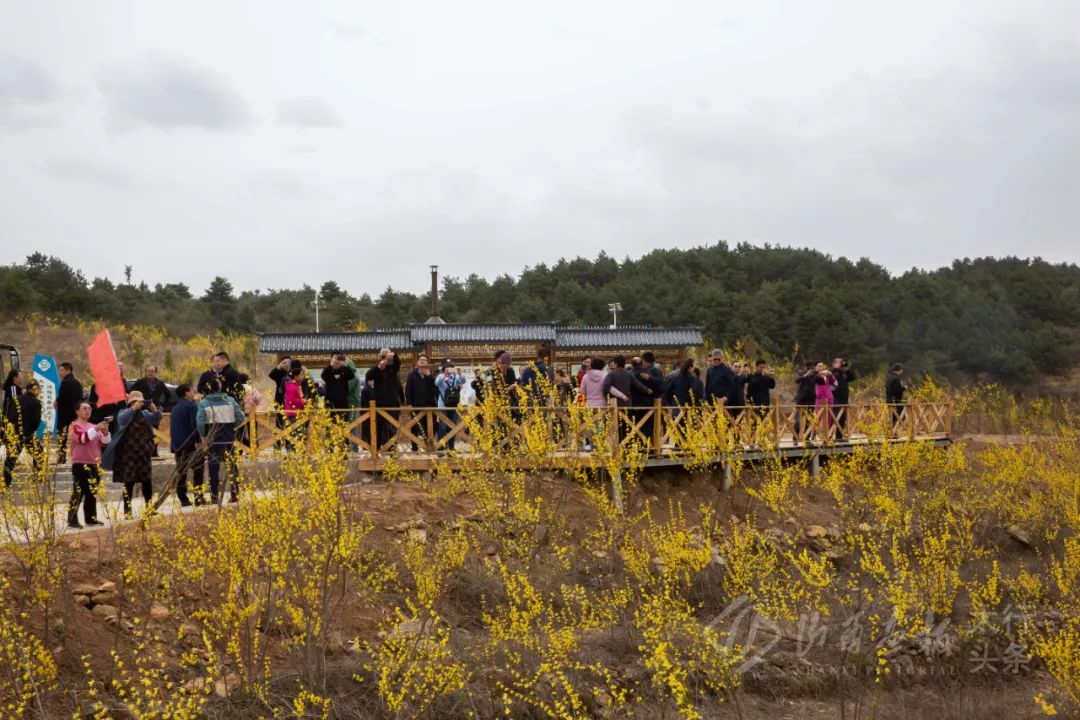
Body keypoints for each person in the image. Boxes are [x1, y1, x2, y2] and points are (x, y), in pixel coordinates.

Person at [102, 391, 162, 518]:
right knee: (129, 482)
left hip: (143, 453)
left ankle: (149, 506)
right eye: (135, 401)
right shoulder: (123, 413)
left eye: (140, 401)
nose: (138, 403)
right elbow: (122, 420)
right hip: (128, 454)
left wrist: (154, 409)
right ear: (130, 402)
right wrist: (133, 409)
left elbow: (157, 417)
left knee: (147, 481)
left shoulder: (145, 414)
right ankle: (127, 509)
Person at [196, 379, 246, 504]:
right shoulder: (230, 400)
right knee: (232, 466)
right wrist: (233, 426)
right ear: (219, 387)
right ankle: (235, 495)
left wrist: (203, 436)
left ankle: (214, 497)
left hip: (212, 440)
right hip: (229, 438)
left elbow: (200, 422)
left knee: (213, 468)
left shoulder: (204, 403)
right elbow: (241, 417)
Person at [66, 401, 109, 528]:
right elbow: (82, 439)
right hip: (80, 463)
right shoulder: (74, 426)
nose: (88, 410)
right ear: (77, 411)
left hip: (95, 463)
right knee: (78, 492)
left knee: (92, 493)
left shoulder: (93, 425)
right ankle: (72, 520)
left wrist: (105, 432)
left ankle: (91, 518)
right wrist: (96, 428)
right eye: (84, 408)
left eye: (89, 408)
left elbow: (104, 443)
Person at [365, 349, 403, 449]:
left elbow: (398, 364)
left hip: (392, 403)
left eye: (386, 356)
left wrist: (394, 355)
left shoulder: (392, 368)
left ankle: (392, 450)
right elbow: (368, 376)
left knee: (392, 428)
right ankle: (376, 450)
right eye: (383, 356)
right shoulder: (376, 368)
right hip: (379, 404)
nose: (385, 358)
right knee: (377, 428)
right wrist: (378, 367)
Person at [404, 355, 438, 450]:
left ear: (427, 363)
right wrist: (409, 404)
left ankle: (428, 446)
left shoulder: (430, 375)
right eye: (421, 360)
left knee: (430, 427)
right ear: (417, 362)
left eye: (424, 360)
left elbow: (435, 388)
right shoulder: (412, 375)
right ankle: (414, 446)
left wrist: (429, 376)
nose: (422, 361)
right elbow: (408, 390)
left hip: (429, 406)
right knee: (415, 427)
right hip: (416, 406)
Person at [435, 360, 467, 450]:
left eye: (451, 367)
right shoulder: (440, 376)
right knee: (442, 427)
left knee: (453, 427)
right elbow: (436, 383)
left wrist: (460, 374)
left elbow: (463, 381)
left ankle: (451, 447)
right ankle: (440, 447)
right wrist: (444, 375)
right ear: (444, 368)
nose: (449, 369)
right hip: (443, 406)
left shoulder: (456, 377)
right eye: (447, 367)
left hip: (454, 405)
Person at [55, 362, 83, 464]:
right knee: (76, 436)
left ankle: (62, 457)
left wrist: (57, 401)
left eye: (61, 370)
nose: (60, 373)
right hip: (76, 414)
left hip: (65, 415)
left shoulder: (65, 382)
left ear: (68, 371)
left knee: (62, 437)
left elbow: (62, 398)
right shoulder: (78, 383)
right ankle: (78, 456)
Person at [2, 368, 24, 486]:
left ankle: (6, 479)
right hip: (12, 426)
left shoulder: (13, 388)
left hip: (13, 425)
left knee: (13, 452)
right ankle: (6, 480)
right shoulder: (13, 388)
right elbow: (16, 405)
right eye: (20, 375)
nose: (22, 377)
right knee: (13, 452)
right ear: (15, 377)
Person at [793, 363, 819, 441]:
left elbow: (822, 381)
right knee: (798, 421)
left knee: (809, 420)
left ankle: (807, 439)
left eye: (812, 369)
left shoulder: (815, 375)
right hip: (801, 399)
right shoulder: (801, 373)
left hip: (811, 399)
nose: (811, 371)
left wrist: (817, 373)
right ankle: (795, 438)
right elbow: (797, 380)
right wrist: (806, 375)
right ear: (806, 368)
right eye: (809, 369)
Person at [832, 358, 856, 437]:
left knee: (842, 418)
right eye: (839, 363)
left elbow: (853, 378)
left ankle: (839, 436)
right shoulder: (832, 372)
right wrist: (836, 368)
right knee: (835, 418)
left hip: (844, 399)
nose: (841, 365)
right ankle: (830, 436)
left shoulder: (844, 373)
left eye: (841, 363)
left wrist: (847, 369)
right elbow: (833, 378)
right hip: (835, 398)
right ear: (834, 364)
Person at [814, 361, 838, 439]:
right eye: (819, 366)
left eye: (822, 366)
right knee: (818, 415)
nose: (821, 367)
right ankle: (814, 433)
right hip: (820, 397)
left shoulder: (827, 375)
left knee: (829, 415)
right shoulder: (815, 374)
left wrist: (830, 374)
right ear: (816, 367)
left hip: (828, 396)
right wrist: (820, 373)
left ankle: (829, 434)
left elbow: (834, 382)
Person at [886, 363, 907, 434]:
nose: (903, 371)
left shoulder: (889, 377)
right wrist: (904, 388)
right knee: (901, 417)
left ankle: (892, 432)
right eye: (902, 370)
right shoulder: (897, 378)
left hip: (889, 400)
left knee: (893, 417)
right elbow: (897, 390)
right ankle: (894, 432)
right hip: (896, 401)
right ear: (900, 370)